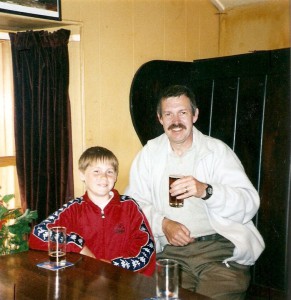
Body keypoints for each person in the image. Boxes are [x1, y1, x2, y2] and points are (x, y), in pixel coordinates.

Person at [125, 85, 265, 298]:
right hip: (171, 255)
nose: (176, 121)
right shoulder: (149, 154)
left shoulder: (217, 152)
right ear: (160, 118)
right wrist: (163, 224)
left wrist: (206, 191)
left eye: (182, 112)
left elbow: (249, 204)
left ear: (195, 115)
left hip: (219, 252)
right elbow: (132, 205)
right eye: (168, 114)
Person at [29, 146, 156, 276]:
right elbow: (38, 234)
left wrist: (113, 266)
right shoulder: (73, 209)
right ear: (82, 175)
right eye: (96, 171)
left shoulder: (130, 207)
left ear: (116, 176)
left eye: (110, 172)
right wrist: (79, 245)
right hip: (85, 282)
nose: (104, 177)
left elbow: (146, 247)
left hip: (122, 278)